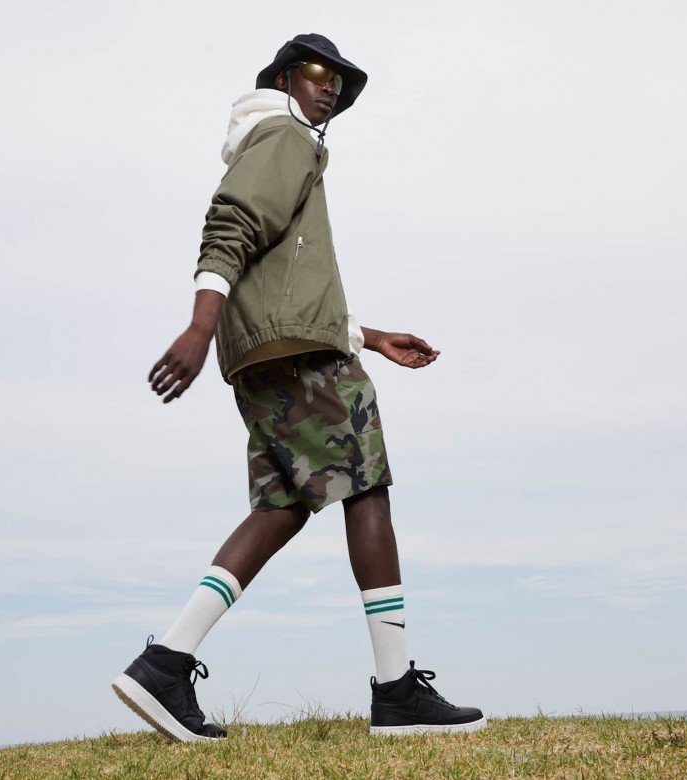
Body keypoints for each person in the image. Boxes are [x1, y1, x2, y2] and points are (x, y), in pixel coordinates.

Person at [112, 33, 486, 741]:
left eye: (338, 83)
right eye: (317, 73)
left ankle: (165, 663)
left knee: (282, 508)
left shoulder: (271, 140)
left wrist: (371, 336)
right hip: (298, 357)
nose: (329, 89)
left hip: (268, 356)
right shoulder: (284, 136)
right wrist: (198, 326)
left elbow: (285, 280)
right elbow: (230, 224)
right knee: (367, 487)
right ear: (284, 78)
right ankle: (396, 690)